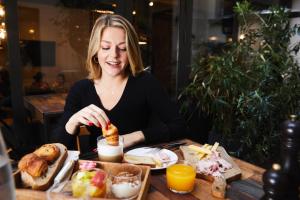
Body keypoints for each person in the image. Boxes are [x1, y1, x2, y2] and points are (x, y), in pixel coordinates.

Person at [51, 14, 186, 151]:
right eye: (105, 47)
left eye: (123, 48)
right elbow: (58, 146)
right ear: (95, 51)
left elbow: (179, 127)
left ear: (131, 51)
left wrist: (134, 137)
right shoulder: (80, 90)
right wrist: (72, 122)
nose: (114, 55)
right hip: (97, 168)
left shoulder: (146, 83)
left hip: (141, 166)